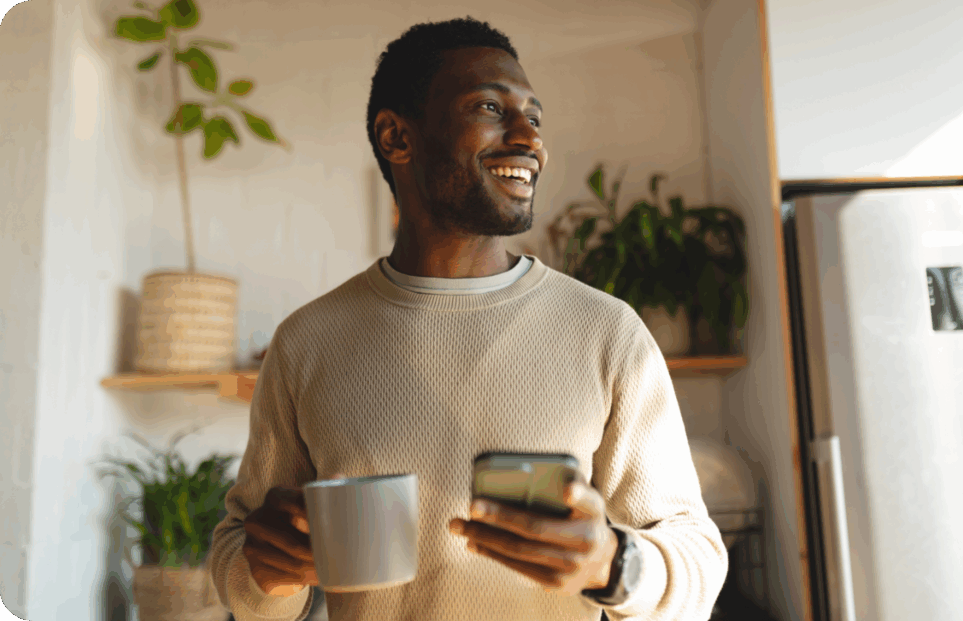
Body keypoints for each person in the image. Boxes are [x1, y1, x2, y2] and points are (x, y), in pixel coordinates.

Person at [208, 16, 728, 621]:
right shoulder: (308, 342)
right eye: (490, 108)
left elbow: (698, 556)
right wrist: (267, 573)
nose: (529, 138)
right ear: (397, 137)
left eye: (534, 118)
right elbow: (240, 562)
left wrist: (612, 565)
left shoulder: (607, 333)